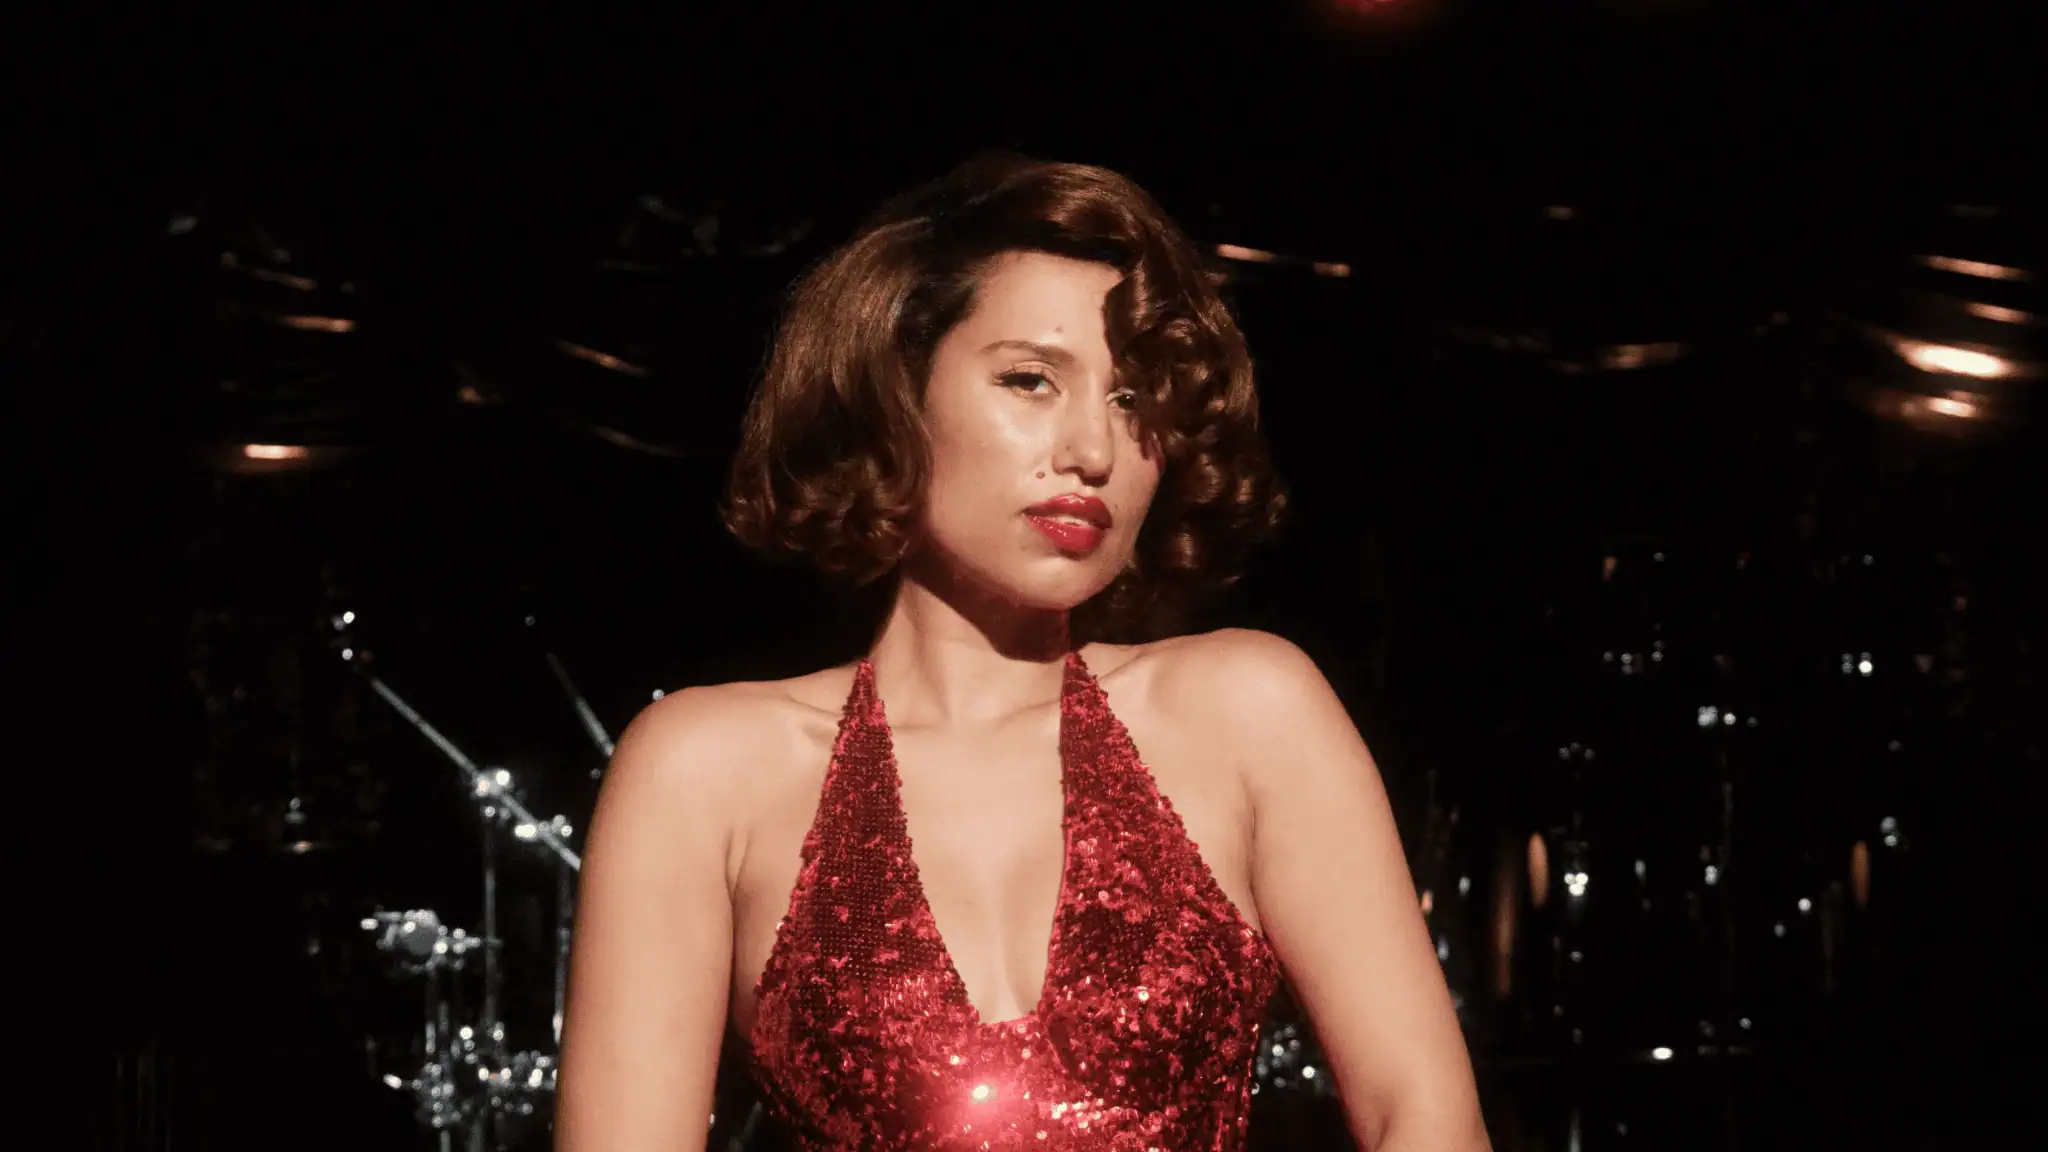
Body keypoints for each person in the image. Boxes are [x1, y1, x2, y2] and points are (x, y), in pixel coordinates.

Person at [555, 153, 1488, 1151]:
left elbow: (1423, 1116)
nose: (1093, 450)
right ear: (893, 393)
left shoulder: (1245, 710)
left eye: (1134, 399)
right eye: (1030, 380)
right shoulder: (704, 770)